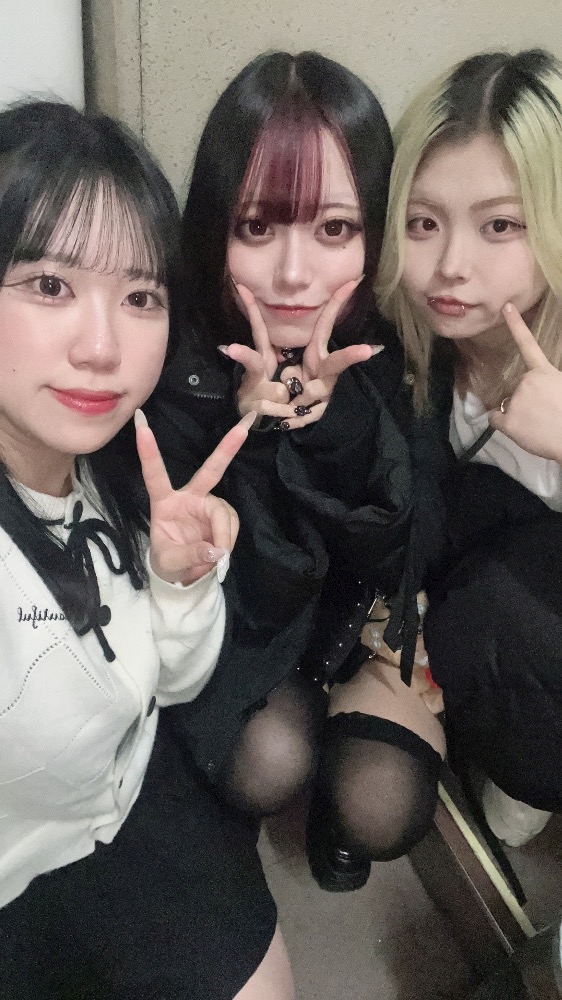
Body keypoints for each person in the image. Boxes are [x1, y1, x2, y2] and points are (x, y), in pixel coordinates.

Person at [0, 100, 295, 1000]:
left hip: (130, 800)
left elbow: (170, 684)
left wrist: (179, 584)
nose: (103, 348)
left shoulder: (110, 466)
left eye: (139, 297)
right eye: (49, 284)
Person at [151, 50, 447, 894]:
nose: (293, 274)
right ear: (215, 226)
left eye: (335, 229)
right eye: (257, 228)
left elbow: (407, 552)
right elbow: (230, 587)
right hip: (255, 634)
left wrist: (336, 422)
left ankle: (333, 789)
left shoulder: (398, 337)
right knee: (268, 761)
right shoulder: (177, 348)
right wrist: (248, 425)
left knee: (382, 806)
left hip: (359, 627)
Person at [377, 48, 562, 851]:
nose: (450, 266)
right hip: (475, 611)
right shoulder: (407, 343)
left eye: (500, 225)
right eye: (424, 222)